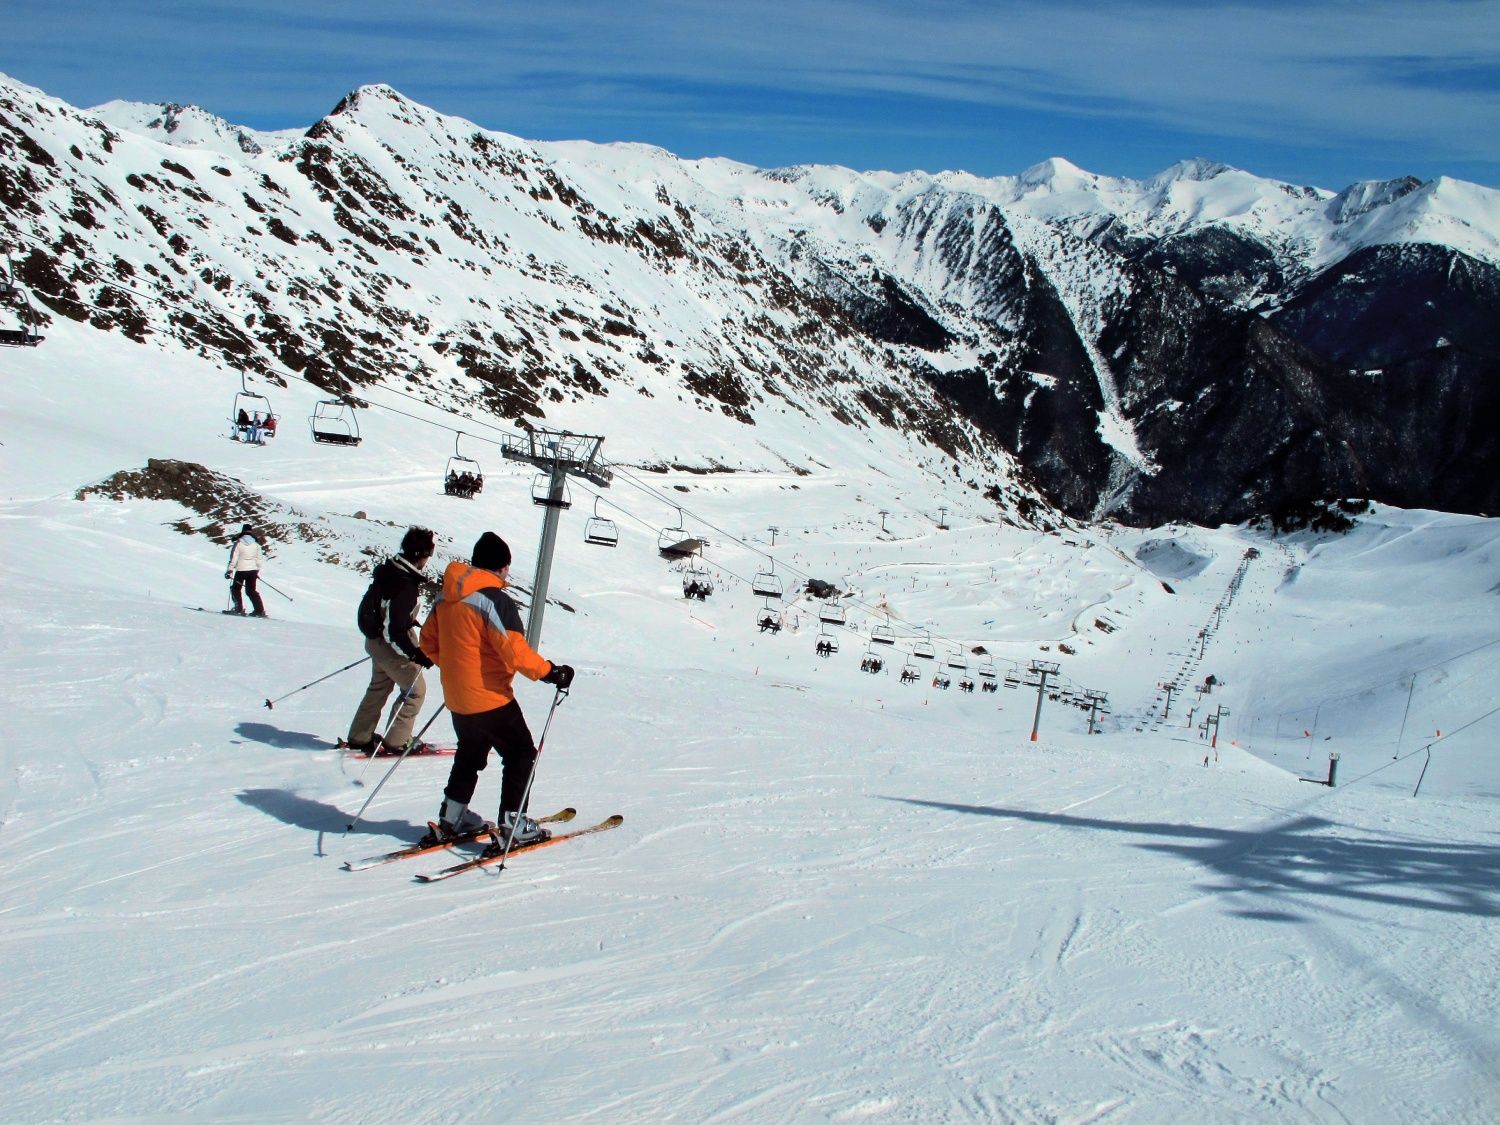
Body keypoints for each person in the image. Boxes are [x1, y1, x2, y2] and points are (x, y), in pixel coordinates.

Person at [420, 532, 574, 848]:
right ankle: (513, 824)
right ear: (502, 567)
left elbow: (427, 643)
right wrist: (550, 672)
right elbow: (514, 651)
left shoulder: (445, 598)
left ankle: (453, 816)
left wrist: (456, 669)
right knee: (521, 754)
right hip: (489, 696)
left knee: (471, 752)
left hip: (457, 696)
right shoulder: (493, 599)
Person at [346, 527, 436, 755]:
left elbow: (388, 614)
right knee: (415, 691)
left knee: (379, 686)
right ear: (420, 555)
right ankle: (397, 741)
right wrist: (414, 654)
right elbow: (394, 632)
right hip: (389, 647)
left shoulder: (390, 570)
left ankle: (360, 736)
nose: (428, 560)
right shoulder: (406, 585)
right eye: (428, 554)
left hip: (374, 641)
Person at [225, 524, 267, 616]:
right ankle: (259, 610)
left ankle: (238, 608)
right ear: (251, 532)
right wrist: (257, 570)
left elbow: (234, 558)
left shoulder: (238, 543)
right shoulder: (256, 544)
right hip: (252, 571)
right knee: (251, 590)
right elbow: (259, 559)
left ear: (243, 531)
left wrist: (229, 570)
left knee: (235, 589)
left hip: (241, 570)